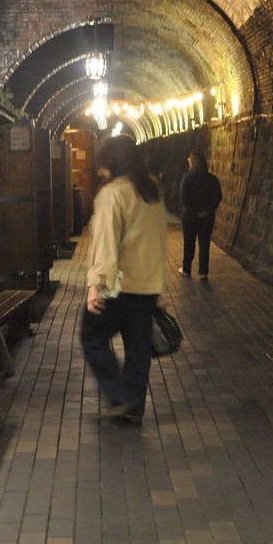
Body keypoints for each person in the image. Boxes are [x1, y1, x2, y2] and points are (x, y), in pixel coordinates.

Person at [81, 135, 167, 423]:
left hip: (120, 286)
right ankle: (133, 409)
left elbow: (105, 244)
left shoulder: (112, 193)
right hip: (148, 285)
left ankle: (122, 398)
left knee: (92, 337)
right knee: (138, 349)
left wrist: (96, 286)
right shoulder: (153, 189)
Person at [178, 151, 222, 281]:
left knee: (189, 242)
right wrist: (207, 211)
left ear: (193, 163)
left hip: (189, 216)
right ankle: (203, 272)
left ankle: (186, 269)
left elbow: (184, 197)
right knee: (204, 244)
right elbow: (218, 196)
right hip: (207, 218)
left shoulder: (187, 179)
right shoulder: (212, 179)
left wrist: (194, 211)